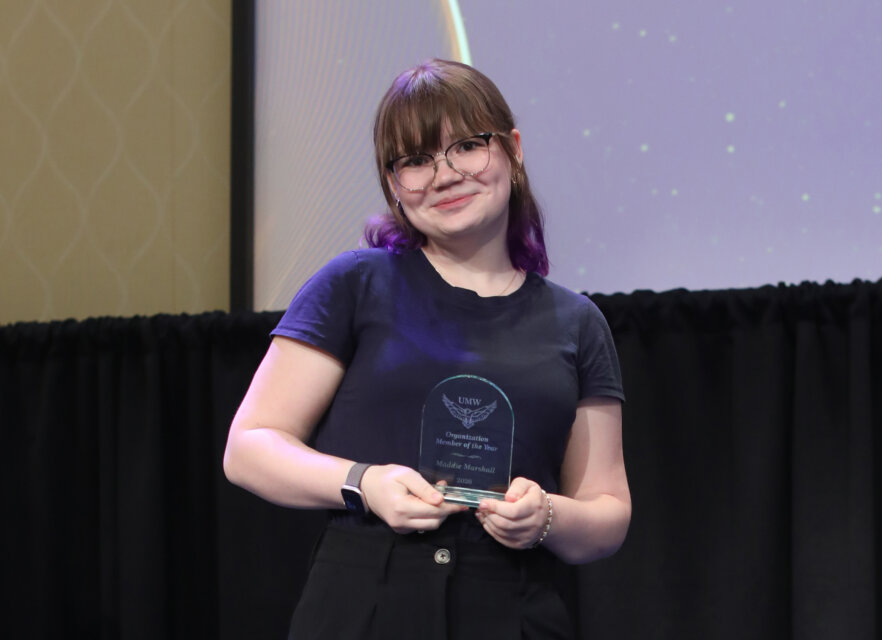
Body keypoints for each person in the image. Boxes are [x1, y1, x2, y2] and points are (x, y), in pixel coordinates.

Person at [223, 58, 631, 639]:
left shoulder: (576, 323)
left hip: (512, 606)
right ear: (393, 184)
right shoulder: (355, 286)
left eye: (466, 146)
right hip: (365, 601)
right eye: (415, 161)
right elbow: (249, 447)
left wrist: (545, 516)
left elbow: (608, 510)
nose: (443, 175)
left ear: (512, 149)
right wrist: (364, 483)